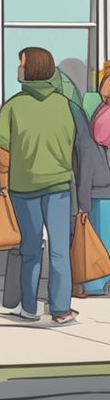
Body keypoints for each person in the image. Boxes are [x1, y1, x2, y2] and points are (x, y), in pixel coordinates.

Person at [0, 47, 80, 325]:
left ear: (30, 69)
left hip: (23, 188)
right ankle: (61, 310)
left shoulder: (13, 106)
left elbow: (2, 151)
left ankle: (29, 307)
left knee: (30, 249)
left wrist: (2, 185)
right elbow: (80, 146)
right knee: (59, 250)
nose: (18, 69)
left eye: (21, 64)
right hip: (58, 187)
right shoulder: (68, 105)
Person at [82, 71, 110, 297]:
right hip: (103, 186)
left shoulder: (101, 114)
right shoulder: (103, 113)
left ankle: (97, 281)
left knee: (101, 235)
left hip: (102, 185)